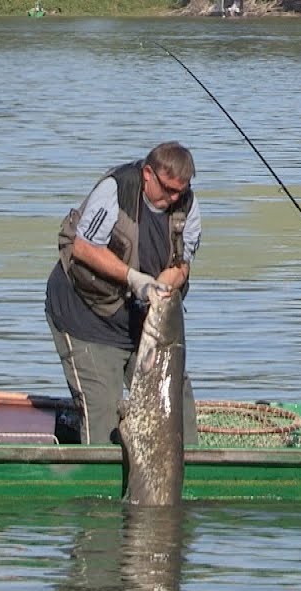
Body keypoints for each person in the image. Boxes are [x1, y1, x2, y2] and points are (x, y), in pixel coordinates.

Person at [45, 142, 200, 444]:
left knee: (176, 404)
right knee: (103, 416)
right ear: (147, 174)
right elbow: (84, 248)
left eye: (180, 191)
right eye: (168, 189)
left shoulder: (187, 205)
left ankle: (186, 473)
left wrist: (162, 286)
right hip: (86, 316)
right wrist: (134, 279)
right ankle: (99, 482)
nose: (173, 198)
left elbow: (182, 265)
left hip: (142, 321)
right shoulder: (115, 191)